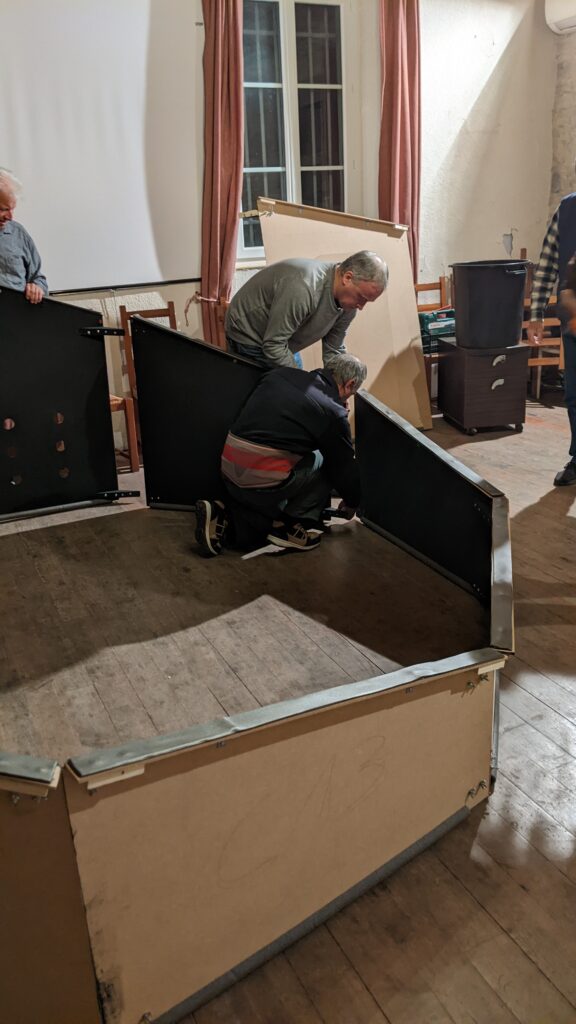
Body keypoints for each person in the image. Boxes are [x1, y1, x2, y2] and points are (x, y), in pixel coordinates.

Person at [194, 353, 368, 557]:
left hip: (227, 469)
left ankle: (222, 514)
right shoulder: (332, 411)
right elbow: (343, 466)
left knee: (261, 503)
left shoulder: (278, 375)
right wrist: (352, 502)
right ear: (350, 384)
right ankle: (291, 525)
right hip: (261, 483)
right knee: (325, 457)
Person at [225, 250, 388, 369]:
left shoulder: (349, 304)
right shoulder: (304, 288)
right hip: (249, 333)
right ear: (347, 278)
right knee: (276, 396)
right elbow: (273, 345)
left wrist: (338, 386)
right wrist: (301, 383)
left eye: (368, 301)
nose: (361, 306)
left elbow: (334, 348)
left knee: (300, 390)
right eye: (362, 298)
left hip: (280, 338)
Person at [527, 189, 576, 486]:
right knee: (574, 394)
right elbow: (547, 265)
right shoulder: (567, 208)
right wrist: (536, 315)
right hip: (573, 321)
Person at [0, 168, 48, 303]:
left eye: (12, 209)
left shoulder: (19, 233)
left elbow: (39, 279)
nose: (10, 217)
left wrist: (37, 288)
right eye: (3, 209)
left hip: (18, 314)